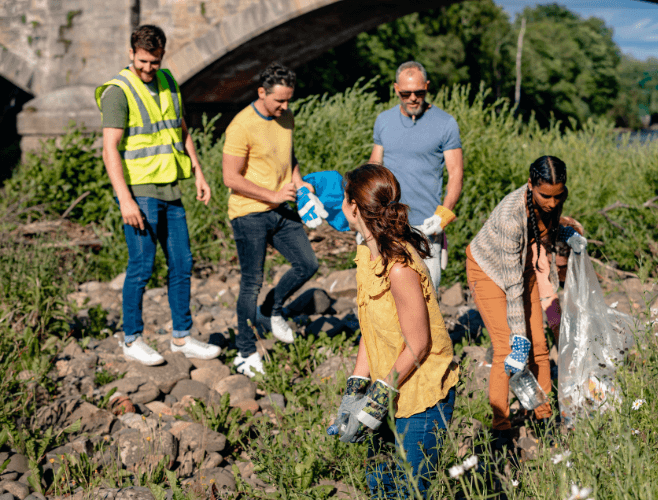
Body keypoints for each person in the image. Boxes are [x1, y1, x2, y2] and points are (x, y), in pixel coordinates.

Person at [328, 163, 459, 498]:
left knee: (409, 491)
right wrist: (355, 390)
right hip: (390, 387)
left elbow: (419, 344)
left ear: (353, 208)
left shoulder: (399, 267)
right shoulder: (365, 256)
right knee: (380, 487)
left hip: (421, 396)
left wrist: (377, 399)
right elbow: (370, 327)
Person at [95, 25, 220, 366]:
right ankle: (132, 339)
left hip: (171, 190)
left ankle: (181, 336)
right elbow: (109, 150)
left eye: (155, 61)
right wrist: (125, 199)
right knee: (141, 268)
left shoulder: (167, 81)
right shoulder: (118, 92)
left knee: (182, 264)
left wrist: (198, 171)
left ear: (163, 55)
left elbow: (180, 129)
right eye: (143, 61)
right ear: (131, 54)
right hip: (140, 194)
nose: (149, 68)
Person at [466, 156, 586, 443]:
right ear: (530, 185)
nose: (553, 203)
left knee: (540, 346)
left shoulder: (555, 196)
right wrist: (519, 339)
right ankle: (501, 426)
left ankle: (543, 417)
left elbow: (544, 229)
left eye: (558, 196)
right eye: (546, 196)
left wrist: (564, 232)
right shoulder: (511, 217)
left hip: (522, 267)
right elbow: (512, 288)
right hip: (489, 271)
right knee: (507, 346)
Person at [222, 62, 319, 377]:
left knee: (308, 265)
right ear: (261, 93)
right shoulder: (241, 125)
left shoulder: (286, 117)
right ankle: (246, 352)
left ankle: (271, 310)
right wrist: (272, 195)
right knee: (252, 282)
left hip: (281, 207)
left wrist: (301, 184)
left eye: (289, 99)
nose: (285, 106)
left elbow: (288, 158)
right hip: (249, 212)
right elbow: (230, 178)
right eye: (279, 100)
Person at [368, 61, 463, 291]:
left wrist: (444, 214)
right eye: (406, 93)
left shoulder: (445, 123)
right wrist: (366, 213)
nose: (412, 98)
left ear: (427, 87)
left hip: (426, 227)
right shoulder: (383, 120)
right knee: (390, 297)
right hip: (389, 223)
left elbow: (456, 172)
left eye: (419, 92)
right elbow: (373, 166)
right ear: (395, 89)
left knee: (429, 294)